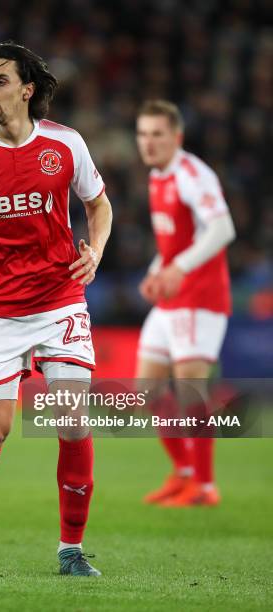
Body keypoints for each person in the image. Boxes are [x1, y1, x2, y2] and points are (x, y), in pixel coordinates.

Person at [0, 41, 112, 576]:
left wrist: (95, 252)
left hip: (60, 298)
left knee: (74, 420)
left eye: (0, 81)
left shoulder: (66, 144)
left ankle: (70, 551)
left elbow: (98, 205)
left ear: (26, 90)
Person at [135, 100, 235, 506]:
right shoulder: (158, 177)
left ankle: (205, 487)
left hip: (200, 297)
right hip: (173, 296)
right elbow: (177, 239)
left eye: (157, 134)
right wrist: (157, 270)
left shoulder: (193, 174)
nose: (149, 142)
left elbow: (222, 228)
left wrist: (179, 269)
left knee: (191, 393)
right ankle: (184, 472)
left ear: (176, 137)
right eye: (142, 134)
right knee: (147, 391)